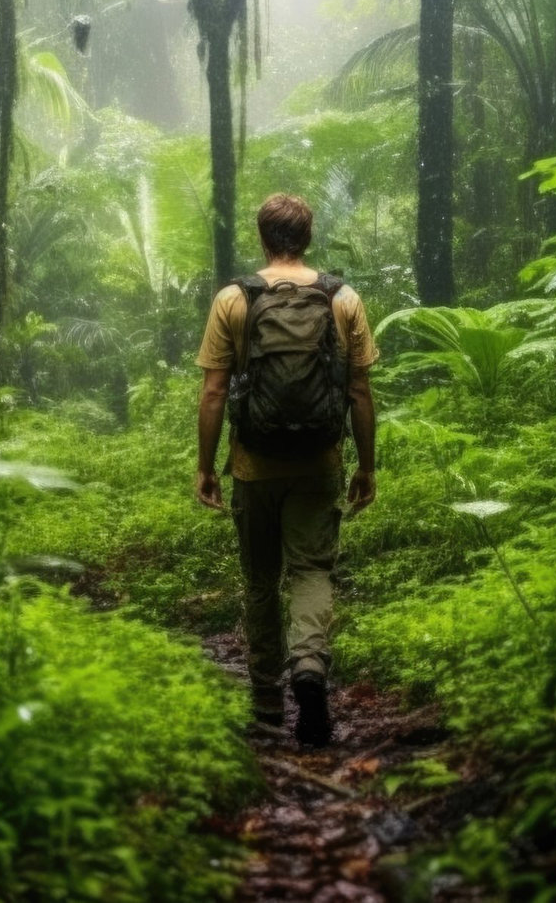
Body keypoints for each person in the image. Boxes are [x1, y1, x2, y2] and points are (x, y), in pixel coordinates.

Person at [194, 193, 378, 746]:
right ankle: (310, 670)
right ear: (309, 236)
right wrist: (366, 466)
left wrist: (206, 467)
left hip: (253, 463)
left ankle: (268, 704)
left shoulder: (235, 298)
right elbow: (360, 390)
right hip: (320, 462)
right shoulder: (341, 297)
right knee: (312, 572)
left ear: (262, 237)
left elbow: (214, 390)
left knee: (259, 580)